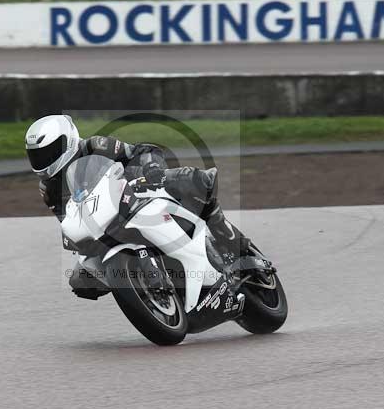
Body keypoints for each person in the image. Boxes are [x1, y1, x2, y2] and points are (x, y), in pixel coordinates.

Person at [25, 114, 248, 299]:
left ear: (68, 141)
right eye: (36, 155)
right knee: (80, 280)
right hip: (105, 221)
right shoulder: (49, 188)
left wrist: (151, 168)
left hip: (141, 189)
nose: (43, 159)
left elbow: (142, 151)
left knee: (196, 181)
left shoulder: (94, 146)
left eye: (49, 151)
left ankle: (237, 245)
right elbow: (68, 219)